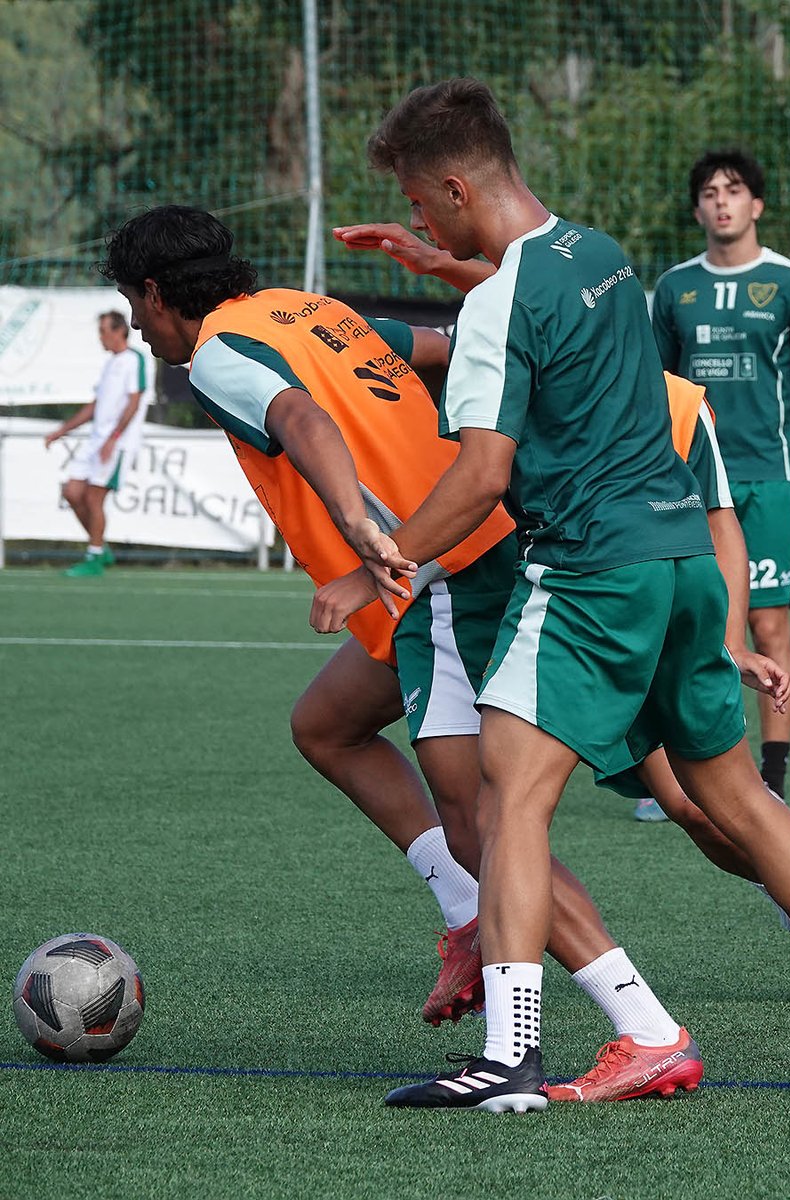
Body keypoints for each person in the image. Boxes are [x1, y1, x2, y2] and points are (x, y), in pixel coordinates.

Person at [337, 77, 790, 1112]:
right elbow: (536, 307)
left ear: (449, 184)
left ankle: (513, 1055)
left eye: (417, 196)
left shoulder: (498, 303)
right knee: (736, 796)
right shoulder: (599, 252)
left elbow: (484, 472)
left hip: (588, 570)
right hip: (680, 567)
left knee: (506, 802)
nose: (417, 216)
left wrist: (378, 560)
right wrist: (460, 271)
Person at [98, 205, 722, 1100]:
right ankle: (471, 914)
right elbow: (436, 350)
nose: (140, 317)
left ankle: (642, 1025)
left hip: (442, 580)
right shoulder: (305, 308)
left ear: (156, 295)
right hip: (482, 553)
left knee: (490, 823)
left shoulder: (216, 356)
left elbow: (302, 422)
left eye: (133, 298)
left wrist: (369, 543)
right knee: (327, 724)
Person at [651, 148, 790, 800]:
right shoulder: (674, 289)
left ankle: (770, 781)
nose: (722, 201)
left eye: (735, 189)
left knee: (768, 629)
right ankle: (670, 774)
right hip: (690, 486)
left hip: (769, 481)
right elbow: (653, 388)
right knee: (682, 620)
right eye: (710, 192)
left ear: (756, 204)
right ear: (697, 209)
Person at [44, 311, 147, 577]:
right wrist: (61, 431)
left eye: (103, 331)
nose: (100, 337)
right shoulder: (110, 364)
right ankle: (100, 548)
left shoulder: (133, 360)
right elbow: (95, 406)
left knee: (93, 497)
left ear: (119, 331)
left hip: (117, 443)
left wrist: (113, 439)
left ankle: (94, 556)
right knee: (72, 492)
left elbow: (134, 402)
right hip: (95, 441)